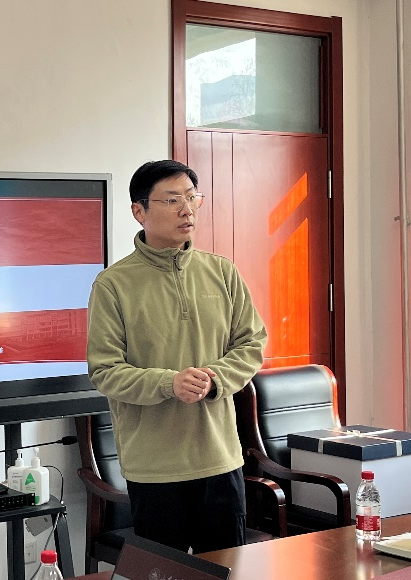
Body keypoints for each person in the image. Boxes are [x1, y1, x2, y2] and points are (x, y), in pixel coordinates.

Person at [86, 159, 267, 554]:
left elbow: (252, 343)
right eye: (171, 200)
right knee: (163, 573)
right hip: (154, 468)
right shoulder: (113, 284)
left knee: (227, 570)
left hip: (220, 458)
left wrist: (215, 378)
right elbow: (105, 370)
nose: (187, 210)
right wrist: (169, 383)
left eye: (191, 198)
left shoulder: (221, 272)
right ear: (139, 211)